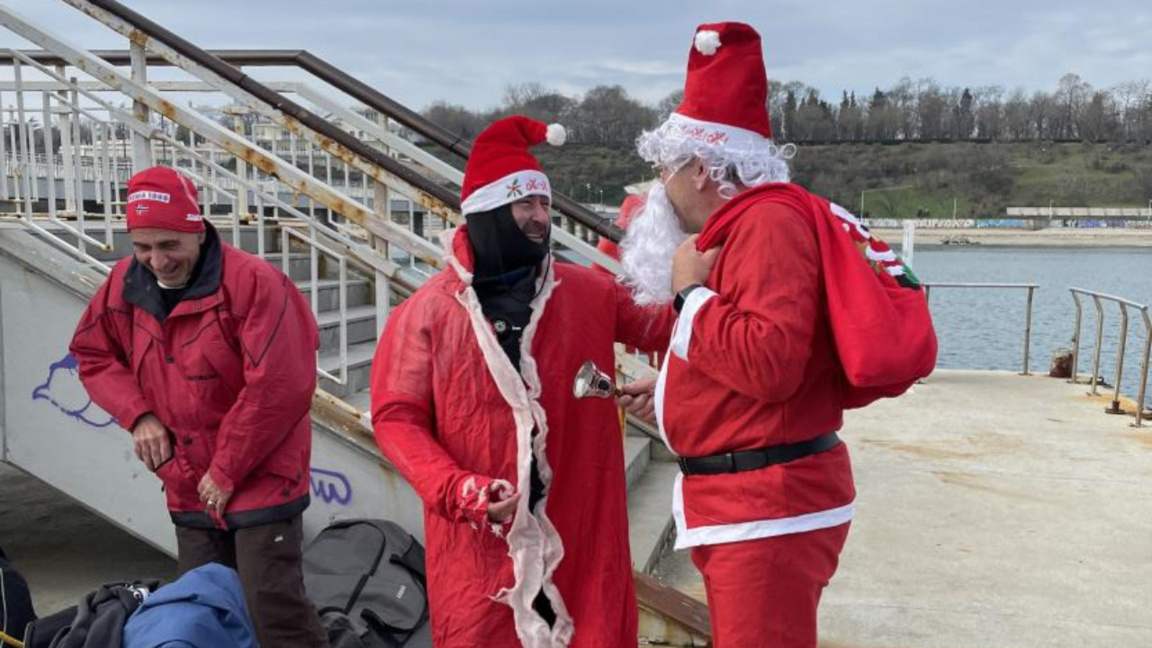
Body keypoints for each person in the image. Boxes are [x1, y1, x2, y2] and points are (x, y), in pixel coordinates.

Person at [619, 22, 936, 648]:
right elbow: (764, 352)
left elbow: (770, 363)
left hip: (767, 509)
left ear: (703, 169)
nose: (661, 184)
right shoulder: (753, 224)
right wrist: (672, 386)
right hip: (752, 504)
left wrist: (691, 295)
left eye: (666, 167)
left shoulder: (765, 224)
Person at [370, 115, 673, 648]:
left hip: (582, 537)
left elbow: (682, 324)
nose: (539, 219)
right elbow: (397, 416)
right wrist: (455, 487)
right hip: (477, 552)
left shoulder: (589, 294)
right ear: (486, 213)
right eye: (524, 205)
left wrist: (672, 378)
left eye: (544, 206)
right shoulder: (427, 313)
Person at [69, 167, 327, 648]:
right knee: (201, 610)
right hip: (185, 478)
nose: (156, 261)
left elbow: (281, 384)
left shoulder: (254, 281)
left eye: (170, 245)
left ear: (198, 229)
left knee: (274, 610)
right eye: (142, 246)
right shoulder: (124, 282)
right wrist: (138, 415)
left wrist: (227, 470)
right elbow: (92, 353)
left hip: (261, 475)